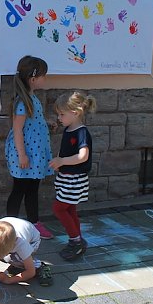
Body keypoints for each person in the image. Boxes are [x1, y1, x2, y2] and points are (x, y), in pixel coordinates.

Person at [5, 55, 55, 240]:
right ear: (33, 79)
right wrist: (22, 155)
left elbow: (33, 123)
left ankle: (34, 223)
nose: (45, 79)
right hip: (26, 155)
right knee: (19, 190)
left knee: (33, 189)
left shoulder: (32, 98)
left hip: (35, 155)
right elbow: (17, 130)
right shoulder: (22, 102)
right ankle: (8, 228)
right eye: (44, 75)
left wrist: (47, 123)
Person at [50, 91, 97, 261]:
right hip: (67, 177)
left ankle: (75, 241)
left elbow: (82, 156)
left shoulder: (81, 132)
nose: (59, 118)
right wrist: (60, 163)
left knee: (59, 208)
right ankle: (77, 239)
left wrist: (62, 161)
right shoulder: (69, 129)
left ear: (75, 113)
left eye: (62, 114)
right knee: (69, 209)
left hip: (75, 179)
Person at [0, 217, 53, 286]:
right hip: (18, 228)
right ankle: (17, 266)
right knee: (8, 258)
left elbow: (31, 272)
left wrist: (9, 280)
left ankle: (39, 266)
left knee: (15, 259)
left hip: (33, 240)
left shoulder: (21, 244)